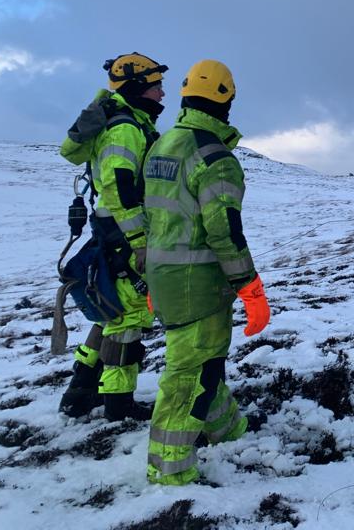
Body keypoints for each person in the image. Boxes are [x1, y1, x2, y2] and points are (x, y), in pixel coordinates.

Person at [143, 59, 270, 485]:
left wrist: (149, 276)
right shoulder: (216, 159)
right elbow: (225, 234)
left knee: (205, 363)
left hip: (163, 279)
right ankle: (170, 470)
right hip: (198, 287)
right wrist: (250, 289)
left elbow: (150, 220)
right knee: (190, 374)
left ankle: (227, 430)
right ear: (226, 98)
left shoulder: (161, 147)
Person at [59, 53, 168, 421]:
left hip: (112, 231)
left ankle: (80, 391)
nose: (162, 95)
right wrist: (140, 242)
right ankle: (118, 404)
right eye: (156, 87)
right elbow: (121, 189)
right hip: (124, 233)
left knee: (111, 315)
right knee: (129, 319)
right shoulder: (125, 129)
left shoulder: (126, 123)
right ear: (138, 88)